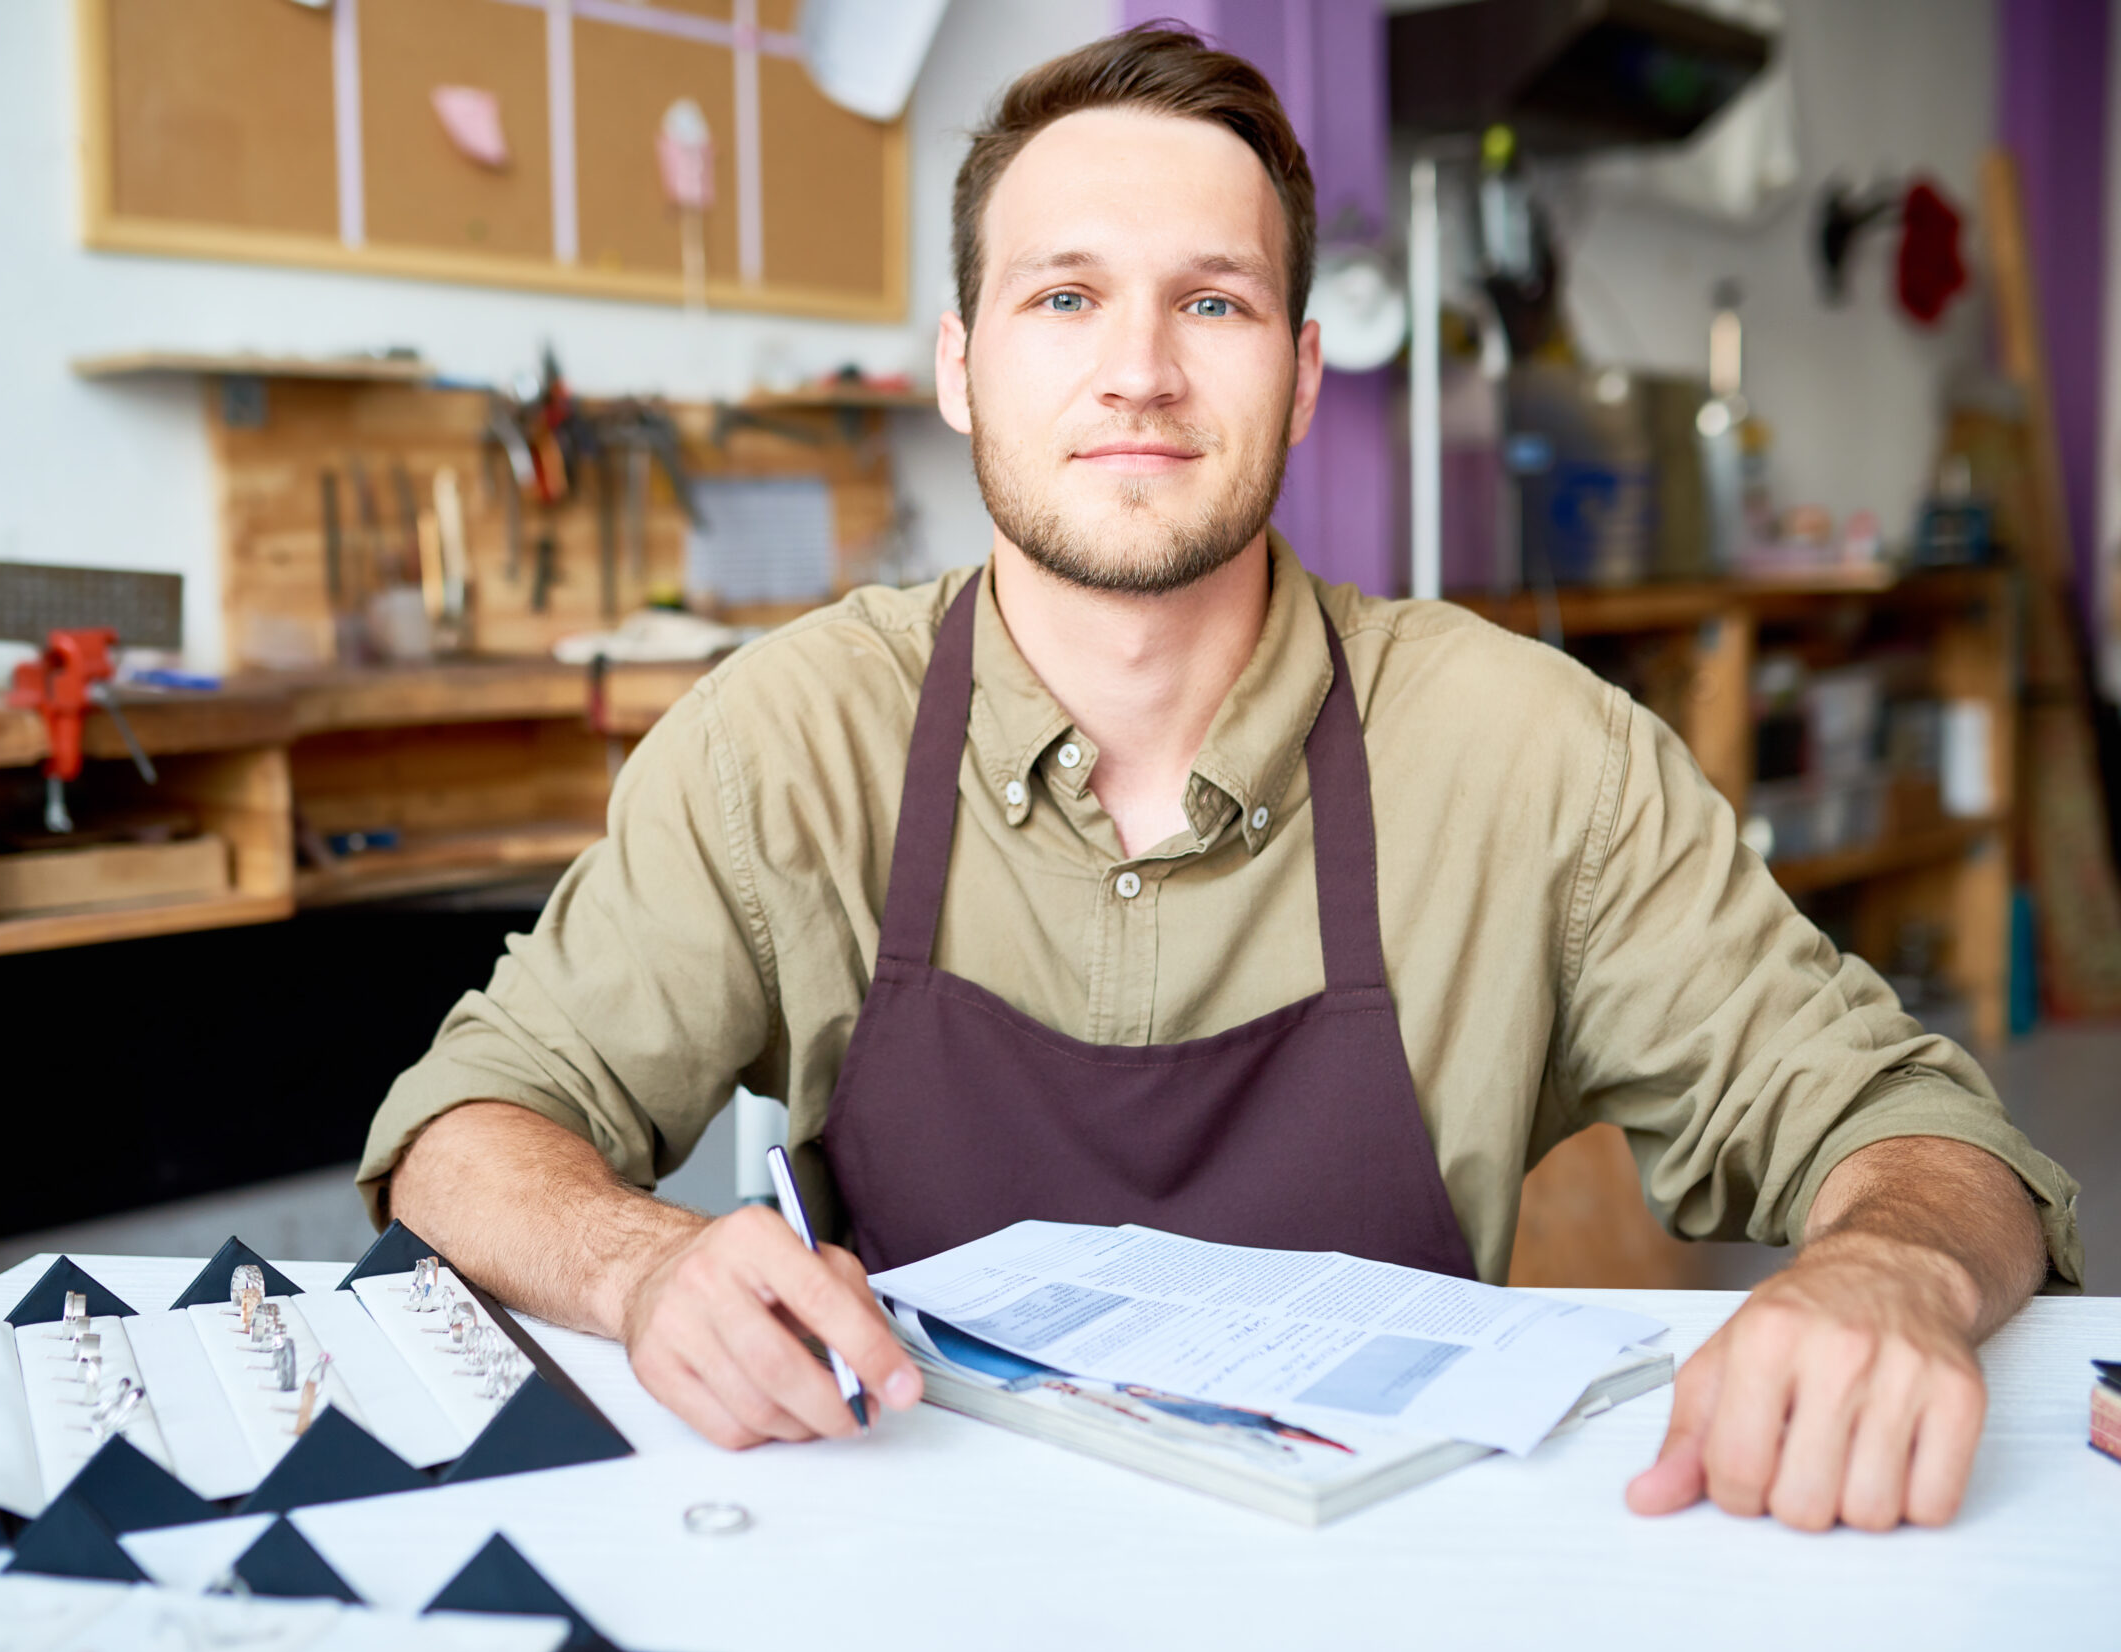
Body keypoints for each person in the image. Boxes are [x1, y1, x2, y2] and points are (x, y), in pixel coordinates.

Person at [359, 27, 2079, 1533]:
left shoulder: (1531, 757)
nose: (1139, 370)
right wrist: (648, 1265)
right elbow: (465, 1128)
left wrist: (1884, 1268)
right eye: (1063, 296)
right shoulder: (789, 739)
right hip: (909, 1573)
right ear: (961, 366)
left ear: (1304, 375)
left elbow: (1921, 1130)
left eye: (1213, 300)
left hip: (1385, 1590)